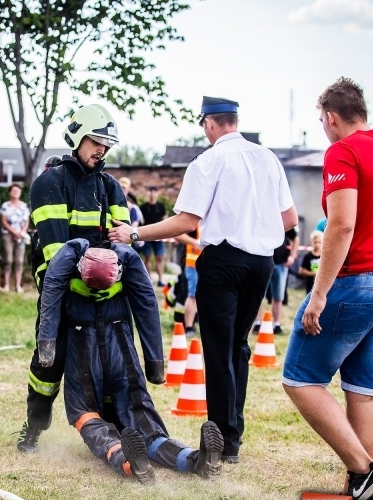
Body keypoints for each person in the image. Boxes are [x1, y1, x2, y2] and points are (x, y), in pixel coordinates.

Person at [109, 95, 298, 464]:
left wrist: (134, 233)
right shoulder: (268, 158)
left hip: (223, 261)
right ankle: (232, 438)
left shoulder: (208, 161)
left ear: (209, 123)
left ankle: (223, 442)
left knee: (218, 349)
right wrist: (254, 227)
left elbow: (186, 221)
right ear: (235, 121)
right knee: (238, 347)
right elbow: (289, 219)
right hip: (261, 262)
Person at [282, 78, 373, 500]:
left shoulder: (343, 151)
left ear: (332, 117)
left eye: (322, 121)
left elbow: (340, 226)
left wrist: (318, 294)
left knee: (300, 379)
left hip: (360, 279)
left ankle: (366, 469)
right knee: (363, 389)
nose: (323, 128)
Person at [38, 239, 224, 482]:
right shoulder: (127, 260)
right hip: (121, 348)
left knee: (87, 415)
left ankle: (128, 463)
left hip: (82, 348)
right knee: (144, 423)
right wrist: (155, 364)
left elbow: (50, 296)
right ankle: (192, 458)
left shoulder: (67, 259)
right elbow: (147, 304)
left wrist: (46, 348)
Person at [16, 103, 130, 453]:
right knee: (48, 363)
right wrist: (83, 283)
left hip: (106, 293)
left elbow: (121, 246)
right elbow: (56, 254)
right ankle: (33, 427)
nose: (102, 150)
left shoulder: (111, 188)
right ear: (78, 137)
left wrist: (112, 281)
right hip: (61, 292)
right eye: (96, 141)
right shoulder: (48, 184)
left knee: (111, 364)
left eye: (107, 145)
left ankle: (116, 435)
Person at [253, 228, 299, 334]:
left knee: (278, 296)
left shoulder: (282, 221)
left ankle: (277, 324)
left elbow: (295, 238)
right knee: (258, 294)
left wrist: (292, 256)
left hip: (281, 264)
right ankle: (257, 323)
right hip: (262, 262)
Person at [0, 183, 30, 293]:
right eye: (14, 191)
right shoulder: (5, 205)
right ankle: (6, 285)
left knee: (19, 261)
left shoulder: (24, 206)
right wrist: (13, 232)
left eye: (18, 191)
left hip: (21, 235)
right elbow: (3, 221)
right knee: (8, 260)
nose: (16, 192)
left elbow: (27, 221)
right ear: (9, 192)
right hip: (8, 234)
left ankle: (17, 285)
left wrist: (21, 232)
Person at [138, 186, 167, 285]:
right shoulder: (143, 207)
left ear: (157, 193)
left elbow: (165, 221)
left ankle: (161, 279)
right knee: (147, 257)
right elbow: (141, 222)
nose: (152, 194)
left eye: (154, 192)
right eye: (150, 192)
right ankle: (149, 279)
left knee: (160, 257)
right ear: (148, 193)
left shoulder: (161, 206)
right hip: (147, 236)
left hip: (159, 236)